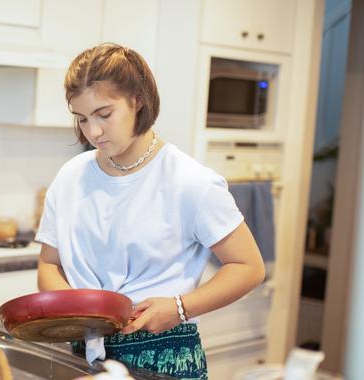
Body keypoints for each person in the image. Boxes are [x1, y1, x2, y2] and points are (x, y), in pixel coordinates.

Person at [35, 43, 266, 379]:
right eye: (82, 118)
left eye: (104, 114)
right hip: (83, 353)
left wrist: (179, 307)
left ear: (137, 100)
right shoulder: (71, 176)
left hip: (163, 356)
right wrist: (80, 310)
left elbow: (249, 267)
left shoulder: (190, 182)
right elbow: (49, 264)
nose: (93, 131)